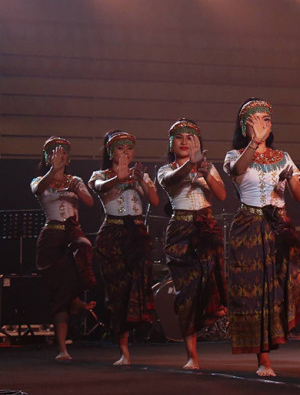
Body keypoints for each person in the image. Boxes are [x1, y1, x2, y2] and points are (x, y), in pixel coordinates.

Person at [224, 98, 300, 376]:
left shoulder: (283, 156)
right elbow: (238, 171)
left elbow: (299, 196)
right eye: (255, 120)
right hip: (250, 226)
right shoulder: (235, 155)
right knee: (256, 292)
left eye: (266, 119)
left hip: (279, 225)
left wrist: (289, 178)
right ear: (244, 126)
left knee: (289, 282)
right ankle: (263, 359)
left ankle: (281, 333)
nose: (262, 124)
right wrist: (254, 143)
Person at [157, 119, 228, 370]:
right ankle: (191, 356)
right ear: (171, 144)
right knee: (186, 294)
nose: (185, 141)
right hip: (181, 230)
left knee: (209, 284)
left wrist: (205, 172)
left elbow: (221, 195)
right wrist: (191, 164)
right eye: (179, 137)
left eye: (190, 137)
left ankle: (211, 312)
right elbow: (173, 179)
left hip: (206, 227)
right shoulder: (165, 170)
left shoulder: (207, 167)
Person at [89, 131, 159, 366]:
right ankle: (123, 350)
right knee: (118, 292)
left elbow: (155, 201)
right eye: (120, 148)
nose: (126, 152)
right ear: (111, 152)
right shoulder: (100, 175)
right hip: (113, 234)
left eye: (129, 148)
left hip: (137, 234)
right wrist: (119, 177)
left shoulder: (141, 175)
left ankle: (138, 333)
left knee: (137, 287)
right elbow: (99, 187)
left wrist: (140, 180)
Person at [30, 137, 97, 361]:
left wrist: (75, 187)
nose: (59, 156)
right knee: (59, 291)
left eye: (63, 153)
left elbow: (90, 202)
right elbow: (37, 189)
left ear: (69, 158)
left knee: (72, 280)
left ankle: (76, 302)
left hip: (73, 235)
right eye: (53, 152)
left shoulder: (75, 180)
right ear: (47, 157)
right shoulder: (40, 180)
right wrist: (53, 170)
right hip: (51, 237)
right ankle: (62, 348)